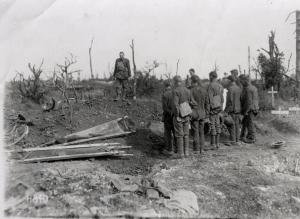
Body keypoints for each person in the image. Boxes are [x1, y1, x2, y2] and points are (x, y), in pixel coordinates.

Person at [172, 75, 192, 158]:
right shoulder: (187, 90)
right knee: (186, 134)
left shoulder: (175, 91)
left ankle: (181, 153)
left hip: (179, 114)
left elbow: (175, 104)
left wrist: (177, 115)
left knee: (179, 134)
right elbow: (190, 102)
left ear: (175, 82)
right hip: (186, 113)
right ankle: (186, 152)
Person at [190, 75, 209, 154]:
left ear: (192, 81)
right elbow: (207, 103)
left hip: (195, 113)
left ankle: (196, 149)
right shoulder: (204, 90)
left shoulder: (191, 90)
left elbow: (189, 103)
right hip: (203, 113)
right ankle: (202, 148)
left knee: (195, 131)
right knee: (201, 131)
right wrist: (207, 114)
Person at [239, 75, 259, 143]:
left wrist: (245, 111)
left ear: (245, 81)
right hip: (254, 108)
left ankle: (251, 138)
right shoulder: (253, 88)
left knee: (250, 123)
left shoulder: (248, 89)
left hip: (250, 109)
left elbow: (248, 102)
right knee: (245, 122)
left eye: (241, 81)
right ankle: (243, 136)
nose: (241, 82)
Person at [207, 71, 224, 149]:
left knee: (212, 125)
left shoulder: (211, 85)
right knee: (218, 124)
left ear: (211, 76)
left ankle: (213, 144)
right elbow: (222, 98)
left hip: (213, 108)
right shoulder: (220, 86)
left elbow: (209, 98)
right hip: (219, 107)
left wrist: (208, 109)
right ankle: (218, 144)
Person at [224, 75, 242, 145]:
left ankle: (233, 140)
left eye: (227, 80)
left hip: (232, 110)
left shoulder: (230, 89)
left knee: (232, 125)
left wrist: (226, 111)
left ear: (229, 81)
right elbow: (240, 99)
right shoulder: (238, 88)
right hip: (238, 109)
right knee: (237, 125)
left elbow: (230, 101)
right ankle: (237, 140)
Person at [161, 80, 175, 156]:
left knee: (167, 133)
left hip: (168, 116)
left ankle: (168, 149)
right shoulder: (174, 93)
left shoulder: (165, 94)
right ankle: (176, 149)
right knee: (175, 132)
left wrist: (169, 113)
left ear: (165, 86)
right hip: (175, 115)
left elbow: (164, 107)